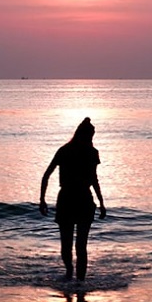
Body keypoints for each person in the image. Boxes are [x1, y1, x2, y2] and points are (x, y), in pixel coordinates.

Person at [40, 117, 106, 281]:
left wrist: (102, 203)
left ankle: (75, 277)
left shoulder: (70, 150)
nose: (91, 139)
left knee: (73, 244)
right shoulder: (77, 151)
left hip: (74, 199)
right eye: (90, 135)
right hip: (75, 199)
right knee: (74, 245)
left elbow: (93, 179)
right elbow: (47, 175)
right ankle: (75, 278)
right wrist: (42, 200)